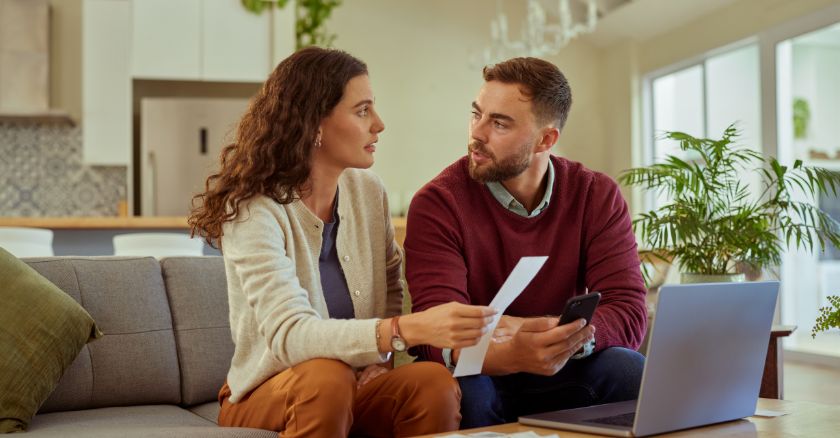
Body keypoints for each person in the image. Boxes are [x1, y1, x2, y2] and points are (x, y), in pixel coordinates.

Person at [189, 47, 496, 438]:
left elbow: (389, 284)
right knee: (326, 377)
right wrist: (402, 329)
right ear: (314, 123)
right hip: (267, 393)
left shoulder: (368, 191)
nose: (379, 124)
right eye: (362, 110)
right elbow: (291, 335)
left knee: (433, 384)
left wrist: (381, 362)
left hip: (352, 385)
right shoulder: (254, 210)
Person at [404, 56, 647, 428]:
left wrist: (550, 336)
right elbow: (433, 331)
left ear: (545, 139)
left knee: (629, 369)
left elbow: (628, 309)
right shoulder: (438, 202)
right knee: (465, 390)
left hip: (565, 367)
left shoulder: (595, 194)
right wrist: (512, 351)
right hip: (480, 370)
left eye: (499, 123)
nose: (477, 134)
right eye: (476, 114)